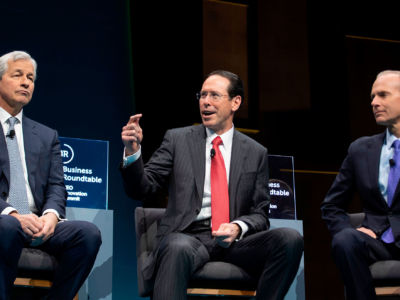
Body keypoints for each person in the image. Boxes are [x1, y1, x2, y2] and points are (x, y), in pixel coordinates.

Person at [121, 70, 304, 300]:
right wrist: (133, 151)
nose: (205, 101)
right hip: (188, 237)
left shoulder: (255, 152)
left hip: (235, 243)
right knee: (176, 247)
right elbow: (142, 187)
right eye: (202, 95)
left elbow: (260, 214)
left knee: (290, 239)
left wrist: (237, 227)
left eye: (214, 95)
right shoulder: (178, 140)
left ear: (235, 102)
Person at [0, 50, 102, 300]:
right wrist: (12, 213)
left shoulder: (46, 135)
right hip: (4, 220)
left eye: (31, 78)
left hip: (37, 223)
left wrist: (50, 216)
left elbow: (57, 185)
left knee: (89, 235)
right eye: (18, 75)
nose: (26, 82)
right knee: (8, 226)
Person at [321, 70, 400, 300]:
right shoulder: (360, 149)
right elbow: (331, 206)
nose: (374, 102)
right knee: (345, 240)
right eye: (372, 97)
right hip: (377, 240)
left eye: (383, 95)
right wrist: (348, 229)